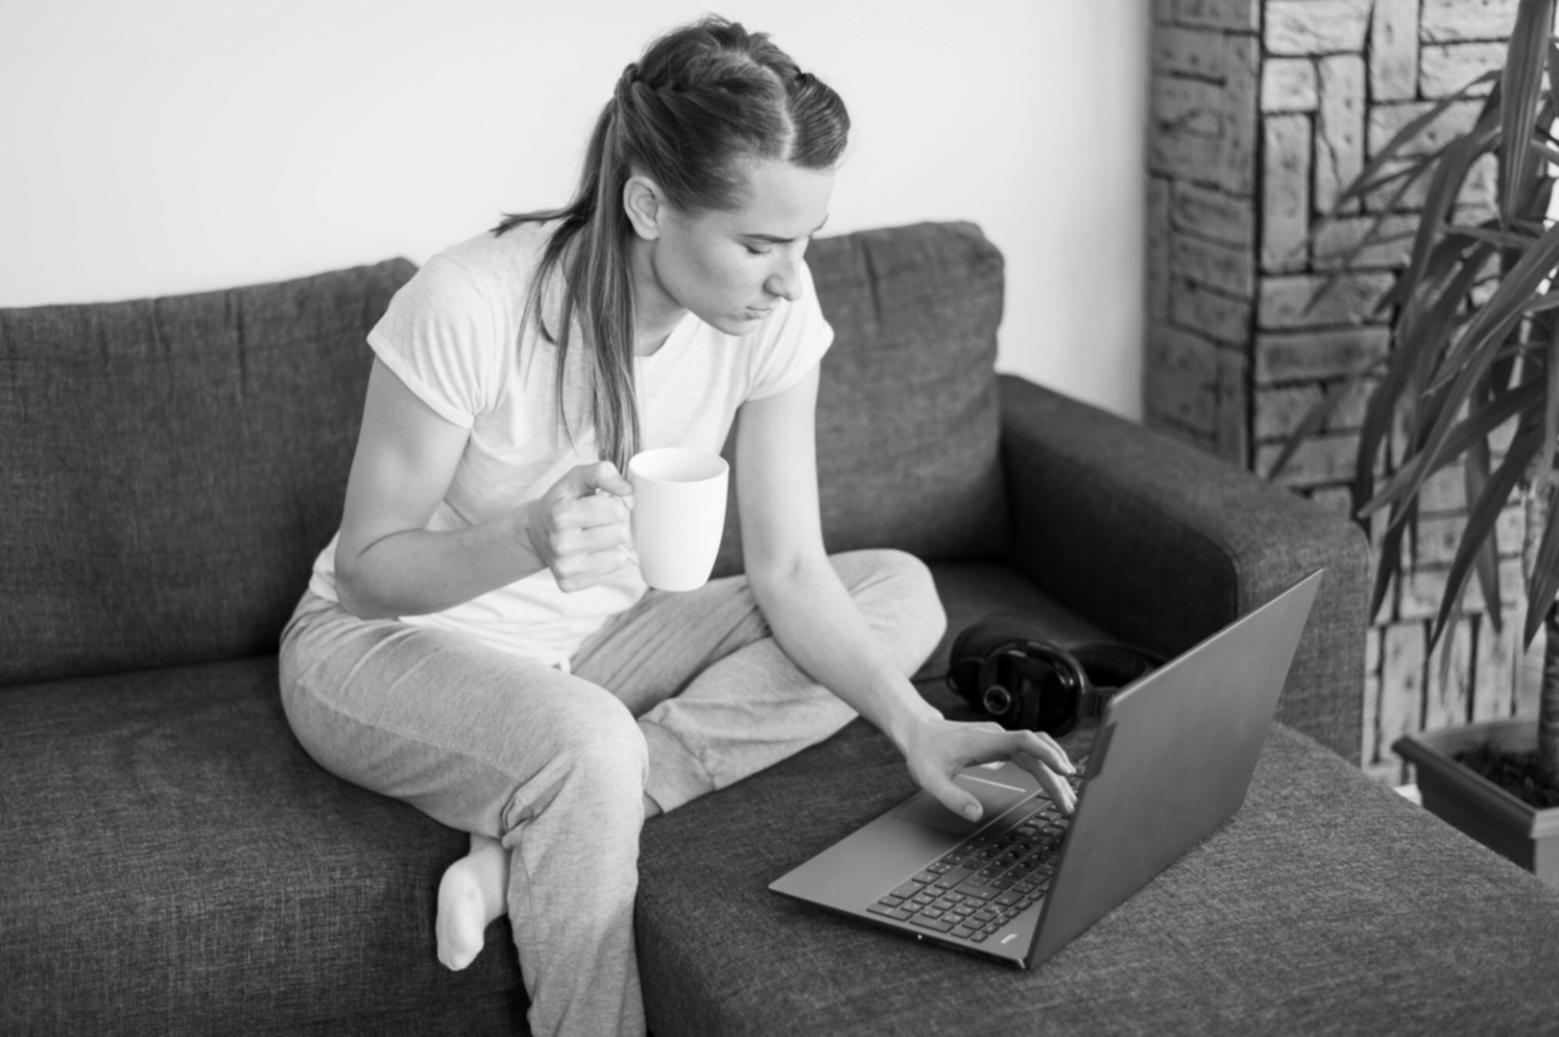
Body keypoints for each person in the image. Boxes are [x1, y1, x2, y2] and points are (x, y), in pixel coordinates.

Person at [277, 15, 1076, 1036]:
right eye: (757, 243)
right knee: (589, 742)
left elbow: (788, 566)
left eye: (804, 240)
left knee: (897, 592)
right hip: (377, 647)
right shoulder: (470, 300)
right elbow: (366, 571)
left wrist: (917, 728)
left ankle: (551, 822)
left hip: (590, 647)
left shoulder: (774, 310)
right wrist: (524, 537)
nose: (789, 278)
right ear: (649, 205)